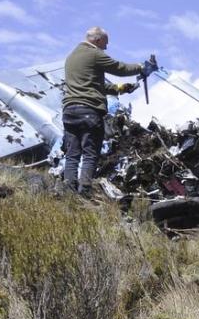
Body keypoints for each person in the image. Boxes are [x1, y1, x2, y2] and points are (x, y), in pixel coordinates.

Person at [61, 27, 153, 194]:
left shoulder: (71, 57)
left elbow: (94, 85)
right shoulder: (94, 54)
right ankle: (85, 191)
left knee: (72, 154)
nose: (106, 48)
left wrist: (120, 89)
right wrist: (141, 67)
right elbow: (119, 68)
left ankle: (68, 192)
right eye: (105, 43)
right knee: (90, 154)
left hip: (69, 111)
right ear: (97, 40)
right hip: (89, 111)